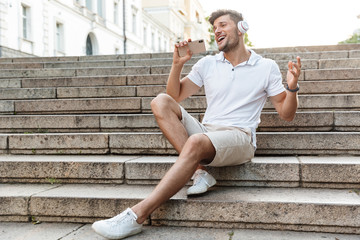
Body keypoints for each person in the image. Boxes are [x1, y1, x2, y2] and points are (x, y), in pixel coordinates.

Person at [92, 9, 301, 239]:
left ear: (242, 28)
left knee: (197, 141)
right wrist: (177, 64)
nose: (217, 31)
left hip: (240, 136)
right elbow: (175, 96)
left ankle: (135, 216)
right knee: (160, 102)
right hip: (207, 133)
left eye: (223, 25)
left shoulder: (265, 66)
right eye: (214, 28)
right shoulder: (208, 63)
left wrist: (292, 87)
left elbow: (286, 113)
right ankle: (200, 171)